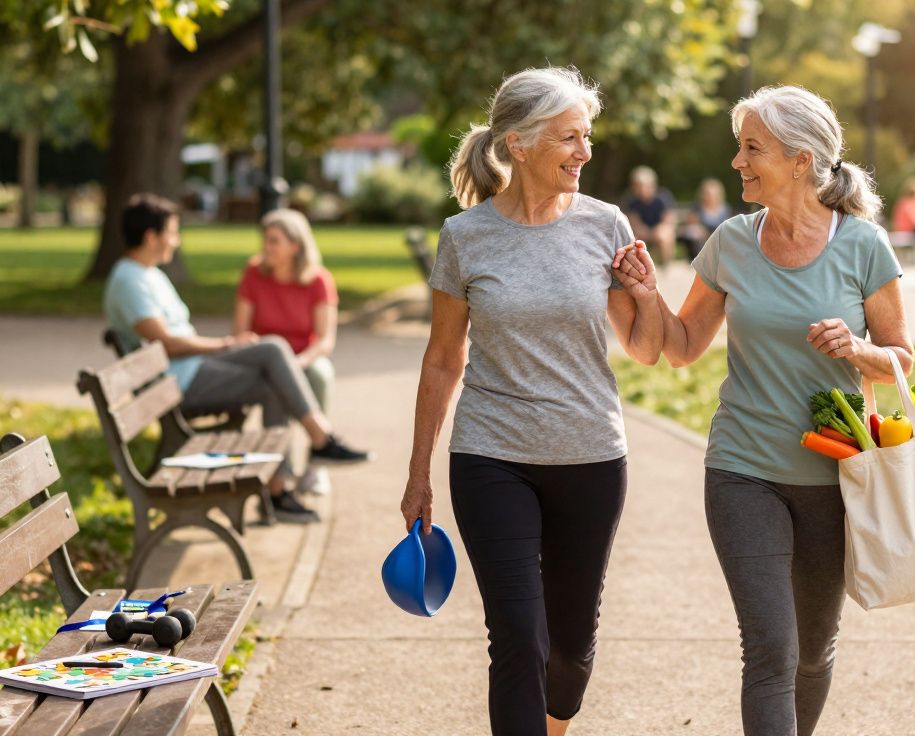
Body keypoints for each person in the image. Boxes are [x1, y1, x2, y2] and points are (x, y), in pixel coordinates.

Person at [613, 85, 913, 736]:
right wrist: (645, 294)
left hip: (836, 479)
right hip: (742, 470)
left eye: (752, 149)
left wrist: (859, 348)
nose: (738, 163)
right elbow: (684, 347)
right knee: (771, 649)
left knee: (811, 652)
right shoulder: (732, 243)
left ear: (801, 160)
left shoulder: (863, 245)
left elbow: (901, 360)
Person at [399, 67, 662, 736]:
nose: (586, 152)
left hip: (590, 455)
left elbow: (645, 348)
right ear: (518, 145)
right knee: (517, 635)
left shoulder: (606, 225)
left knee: (569, 649)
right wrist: (419, 472)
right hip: (492, 455)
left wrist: (649, 294)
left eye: (587, 136)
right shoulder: (465, 237)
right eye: (569, 138)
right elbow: (442, 358)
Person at [103, 193, 370, 521]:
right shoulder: (129, 280)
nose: (177, 240)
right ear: (150, 236)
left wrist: (227, 345)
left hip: (188, 372)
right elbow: (168, 344)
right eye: (172, 232)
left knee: (272, 359)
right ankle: (315, 445)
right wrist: (225, 344)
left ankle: (282, 487)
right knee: (272, 353)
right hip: (178, 382)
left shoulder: (148, 273)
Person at [233, 208, 339, 495]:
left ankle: (316, 466)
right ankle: (283, 467)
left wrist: (299, 362)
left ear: (295, 246)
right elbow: (240, 331)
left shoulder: (318, 280)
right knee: (276, 382)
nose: (265, 247)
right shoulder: (253, 273)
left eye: (273, 241)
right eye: (265, 240)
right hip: (262, 358)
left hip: (303, 358)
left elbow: (325, 340)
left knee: (320, 373)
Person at [622, 165, 678, 264]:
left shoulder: (663, 197)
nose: (636, 188)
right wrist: (644, 231)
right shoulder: (631, 200)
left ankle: (665, 265)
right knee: (632, 239)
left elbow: (669, 220)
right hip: (642, 231)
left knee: (663, 236)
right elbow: (634, 221)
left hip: (660, 229)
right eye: (635, 185)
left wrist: (658, 230)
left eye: (639, 185)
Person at [677, 177, 733, 260]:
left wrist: (706, 233)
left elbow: (727, 229)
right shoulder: (697, 208)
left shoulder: (724, 210)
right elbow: (689, 226)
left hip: (718, 241)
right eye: (706, 194)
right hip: (700, 243)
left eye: (711, 194)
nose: (709, 197)